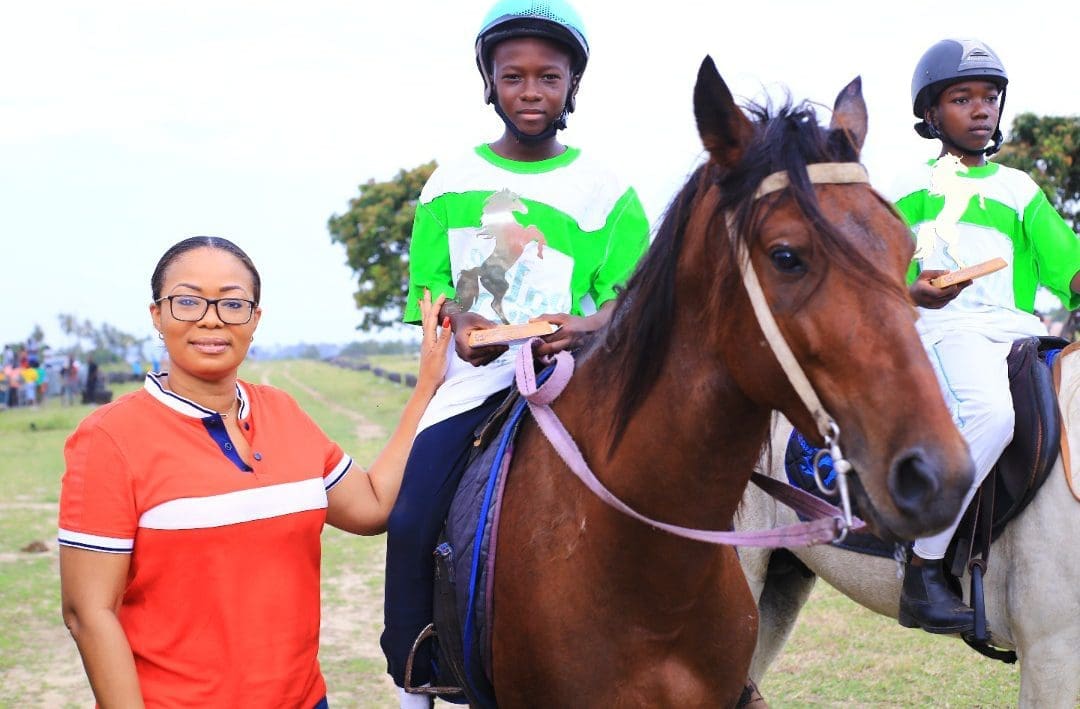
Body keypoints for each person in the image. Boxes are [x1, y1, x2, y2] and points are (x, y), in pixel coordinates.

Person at [380, 1, 651, 705]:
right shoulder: (449, 183)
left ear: (572, 85)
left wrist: (584, 327)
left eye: (549, 77)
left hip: (576, 376)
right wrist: (460, 321)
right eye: (514, 76)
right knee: (409, 516)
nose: (531, 91)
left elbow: (633, 298)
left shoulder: (609, 192)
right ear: (490, 83)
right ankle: (415, 671)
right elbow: (430, 288)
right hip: (475, 381)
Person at [58, 236, 451, 707]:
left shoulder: (283, 412)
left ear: (255, 319)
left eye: (232, 303)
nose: (211, 318)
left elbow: (370, 506)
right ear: (157, 315)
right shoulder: (109, 438)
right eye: (187, 301)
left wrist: (427, 385)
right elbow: (88, 613)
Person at [893, 38, 1080, 634]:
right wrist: (912, 291)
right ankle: (923, 567)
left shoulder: (1020, 188)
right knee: (991, 414)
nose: (981, 109)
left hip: (1021, 335)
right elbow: (876, 276)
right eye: (962, 98)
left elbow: (1068, 267)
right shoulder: (907, 186)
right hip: (944, 329)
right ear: (930, 113)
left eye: (990, 97)